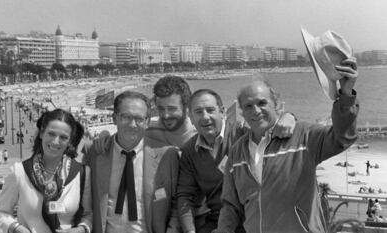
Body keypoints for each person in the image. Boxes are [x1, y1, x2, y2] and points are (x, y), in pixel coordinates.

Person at [214, 58, 359, 233]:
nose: (256, 111)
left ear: (276, 105)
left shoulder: (302, 136)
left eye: (262, 103)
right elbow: (230, 206)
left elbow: (342, 137)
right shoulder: (237, 153)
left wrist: (346, 94)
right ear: (242, 113)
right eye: (248, 106)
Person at [176, 89, 296, 233]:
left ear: (223, 112)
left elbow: (275, 128)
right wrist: (190, 231)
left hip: (256, 217)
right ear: (190, 117)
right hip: (218, 221)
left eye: (210, 110)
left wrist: (289, 116)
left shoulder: (243, 133)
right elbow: (185, 195)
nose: (205, 117)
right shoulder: (189, 151)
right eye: (198, 112)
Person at [82, 90, 180, 233]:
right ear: (114, 118)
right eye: (126, 117)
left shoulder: (167, 155)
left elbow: (176, 203)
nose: (132, 124)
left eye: (139, 118)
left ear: (147, 122)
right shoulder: (95, 152)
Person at [0, 109, 92, 233]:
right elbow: (0, 212)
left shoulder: (81, 173)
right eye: (51, 134)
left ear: (70, 141)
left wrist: (81, 229)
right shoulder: (20, 172)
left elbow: (88, 214)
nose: (56, 141)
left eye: (63, 137)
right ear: (41, 133)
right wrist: (16, 228)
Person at [146, 75, 196, 148]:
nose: (166, 115)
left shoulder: (200, 136)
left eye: (171, 109)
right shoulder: (148, 129)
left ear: (187, 107)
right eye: (161, 109)